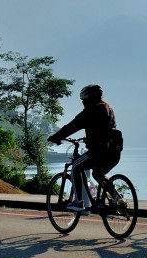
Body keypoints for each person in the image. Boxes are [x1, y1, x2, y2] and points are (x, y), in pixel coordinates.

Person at [48, 84, 121, 214]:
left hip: (98, 153)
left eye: (83, 98)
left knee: (76, 166)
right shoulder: (108, 108)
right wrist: (90, 138)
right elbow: (105, 130)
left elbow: (72, 126)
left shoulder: (91, 110)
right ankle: (116, 198)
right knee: (97, 174)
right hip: (114, 153)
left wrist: (55, 137)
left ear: (88, 98)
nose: (82, 101)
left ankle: (78, 202)